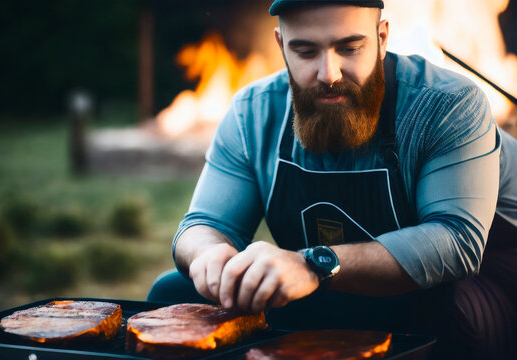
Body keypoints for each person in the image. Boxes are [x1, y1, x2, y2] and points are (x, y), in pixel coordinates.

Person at [148, 0, 517, 358]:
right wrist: (210, 256)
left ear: (382, 37)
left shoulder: (446, 105)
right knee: (174, 292)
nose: (329, 73)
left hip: (476, 286)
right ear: (281, 45)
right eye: (306, 52)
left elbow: (456, 243)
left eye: (350, 48)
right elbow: (203, 224)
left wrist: (312, 264)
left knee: (440, 313)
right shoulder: (253, 113)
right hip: (336, 285)